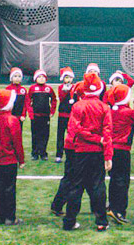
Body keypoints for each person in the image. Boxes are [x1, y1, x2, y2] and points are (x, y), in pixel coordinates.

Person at [63, 72, 113, 232]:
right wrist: (107, 154)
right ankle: (101, 221)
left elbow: (75, 129)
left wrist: (91, 138)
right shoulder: (104, 107)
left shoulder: (78, 106)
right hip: (97, 151)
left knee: (76, 186)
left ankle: (69, 221)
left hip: (80, 151)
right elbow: (107, 134)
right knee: (98, 185)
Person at [106, 83, 134, 225]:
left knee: (114, 179)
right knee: (123, 180)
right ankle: (119, 210)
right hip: (122, 149)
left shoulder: (109, 110)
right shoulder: (127, 112)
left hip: (110, 148)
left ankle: (111, 205)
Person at [0, 89, 25, 225]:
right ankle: (10, 217)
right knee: (10, 188)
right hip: (10, 160)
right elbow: (17, 142)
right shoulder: (12, 120)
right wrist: (21, 160)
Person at [51, 81, 84, 217]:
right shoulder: (81, 106)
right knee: (89, 178)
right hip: (80, 146)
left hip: (72, 144)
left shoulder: (78, 105)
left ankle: (58, 204)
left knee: (71, 176)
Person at [27, 69, 57, 160]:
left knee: (45, 134)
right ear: (35, 78)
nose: (41, 78)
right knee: (35, 134)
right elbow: (28, 101)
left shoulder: (49, 89)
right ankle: (35, 153)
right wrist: (31, 113)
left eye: (43, 77)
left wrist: (52, 111)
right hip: (35, 116)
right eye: (39, 77)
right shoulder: (32, 88)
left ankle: (43, 153)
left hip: (45, 116)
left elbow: (54, 100)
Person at [55, 67, 76, 163]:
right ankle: (59, 154)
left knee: (72, 135)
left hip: (72, 115)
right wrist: (66, 89)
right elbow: (61, 98)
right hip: (62, 115)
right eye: (67, 77)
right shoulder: (61, 87)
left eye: (70, 77)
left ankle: (72, 153)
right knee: (60, 135)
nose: (69, 79)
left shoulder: (75, 87)